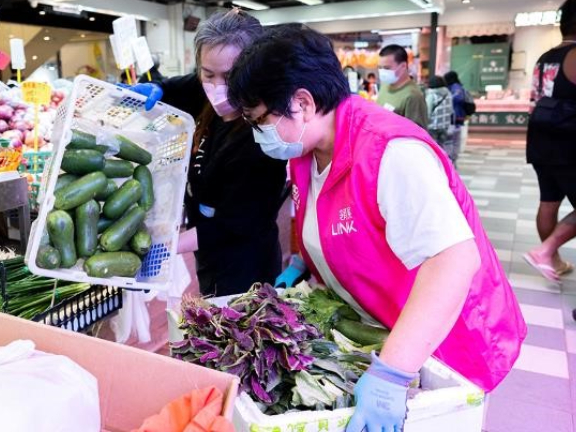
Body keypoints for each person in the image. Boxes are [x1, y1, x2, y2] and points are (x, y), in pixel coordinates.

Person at [228, 25, 526, 432]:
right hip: (385, 325)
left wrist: (392, 374)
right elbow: (325, 219)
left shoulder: (391, 151)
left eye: (261, 118)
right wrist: (302, 263)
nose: (257, 132)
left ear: (302, 102)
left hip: (446, 339)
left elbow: (454, 261)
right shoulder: (306, 151)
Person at [125, 9, 287, 297]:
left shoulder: (263, 136)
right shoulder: (203, 92)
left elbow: (235, 224)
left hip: (246, 264)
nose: (217, 87)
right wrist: (156, 89)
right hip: (208, 254)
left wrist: (166, 246)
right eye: (208, 73)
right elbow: (179, 87)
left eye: (230, 75)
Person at [523, 0, 576, 282]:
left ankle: (552, 260)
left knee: (548, 201)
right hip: (569, 142)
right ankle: (546, 252)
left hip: (541, 138)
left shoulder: (546, 56)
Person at [376, 44, 428, 128]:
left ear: (403, 66)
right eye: (380, 67)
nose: (382, 72)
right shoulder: (384, 86)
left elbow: (417, 134)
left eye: (387, 68)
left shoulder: (413, 96)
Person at [425, 75, 455, 164]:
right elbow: (451, 110)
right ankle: (443, 165)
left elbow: (427, 111)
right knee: (442, 148)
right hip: (445, 125)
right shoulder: (448, 94)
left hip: (432, 126)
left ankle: (435, 166)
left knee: (432, 150)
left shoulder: (431, 95)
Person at [444, 71, 467, 163]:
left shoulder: (455, 87)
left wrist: (448, 98)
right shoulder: (456, 86)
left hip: (456, 116)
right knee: (455, 138)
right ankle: (452, 157)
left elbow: (458, 98)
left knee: (453, 139)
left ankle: (452, 158)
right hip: (457, 116)